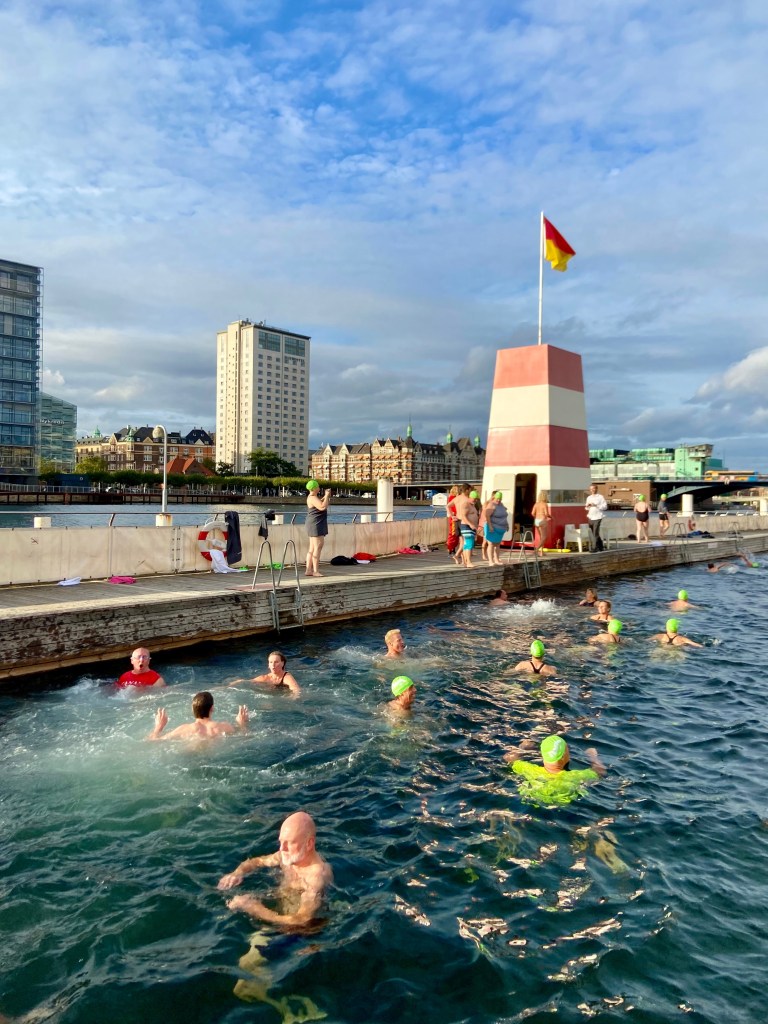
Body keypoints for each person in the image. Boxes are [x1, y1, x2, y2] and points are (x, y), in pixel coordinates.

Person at [218, 811, 333, 925]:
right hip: (280, 914)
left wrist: (255, 908)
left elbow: (302, 920)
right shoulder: (288, 856)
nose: (282, 848)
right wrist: (237, 873)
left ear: (309, 843)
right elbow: (257, 861)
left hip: (300, 933)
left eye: (289, 843)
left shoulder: (316, 878)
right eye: (281, 842)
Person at [506, 735, 605, 807]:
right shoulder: (575, 775)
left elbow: (509, 757)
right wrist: (592, 756)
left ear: (543, 756)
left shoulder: (530, 770)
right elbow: (600, 771)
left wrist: (524, 748)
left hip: (532, 802)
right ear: (566, 757)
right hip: (565, 806)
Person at [148, 691, 248, 740]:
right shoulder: (224, 727)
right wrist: (242, 724)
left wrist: (159, 727)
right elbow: (245, 737)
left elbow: (153, 741)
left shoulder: (184, 729)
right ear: (212, 708)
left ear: (192, 709)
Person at [230, 651, 300, 695]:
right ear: (268, 665)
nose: (273, 665)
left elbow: (296, 690)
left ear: (282, 663)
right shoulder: (265, 678)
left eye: (276, 662)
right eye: (271, 662)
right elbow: (246, 681)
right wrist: (233, 684)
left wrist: (292, 698)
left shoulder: (286, 677)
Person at [305, 480, 331, 578]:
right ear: (315, 488)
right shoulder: (313, 498)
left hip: (314, 523)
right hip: (316, 524)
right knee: (318, 547)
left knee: (312, 548)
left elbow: (322, 504)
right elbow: (322, 506)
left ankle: (308, 570)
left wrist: (326, 497)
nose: (319, 488)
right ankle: (315, 571)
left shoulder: (311, 497)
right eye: (318, 486)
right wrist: (327, 495)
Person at [454, 484, 479, 568]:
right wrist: (471, 524)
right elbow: (463, 516)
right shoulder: (466, 504)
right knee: (469, 543)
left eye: (476, 499)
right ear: (470, 497)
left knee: (467, 545)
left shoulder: (472, 505)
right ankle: (468, 562)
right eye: (474, 499)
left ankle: (465, 562)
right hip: (466, 526)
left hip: (471, 527)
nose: (475, 500)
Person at [482, 491, 509, 566]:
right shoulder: (491, 504)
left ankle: (496, 559)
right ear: (494, 497)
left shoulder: (501, 504)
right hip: (492, 527)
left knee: (497, 544)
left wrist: (507, 524)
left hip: (501, 528)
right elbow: (487, 516)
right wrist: (490, 526)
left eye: (500, 499)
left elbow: (504, 515)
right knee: (491, 544)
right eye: (497, 499)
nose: (498, 500)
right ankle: (491, 561)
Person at [584, 484, 608, 552]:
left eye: (593, 489)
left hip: (598, 516)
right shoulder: (588, 498)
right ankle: (601, 546)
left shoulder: (600, 497)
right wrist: (587, 506)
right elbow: (586, 508)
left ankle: (594, 548)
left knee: (595, 532)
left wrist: (596, 505)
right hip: (590, 516)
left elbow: (605, 507)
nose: (592, 490)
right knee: (595, 533)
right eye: (591, 489)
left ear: (596, 489)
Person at [446, 485, 461, 560]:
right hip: (454, 517)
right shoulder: (453, 498)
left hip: (456, 517)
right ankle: (450, 549)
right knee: (453, 533)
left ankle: (452, 549)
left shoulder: (451, 497)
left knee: (456, 534)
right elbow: (452, 508)